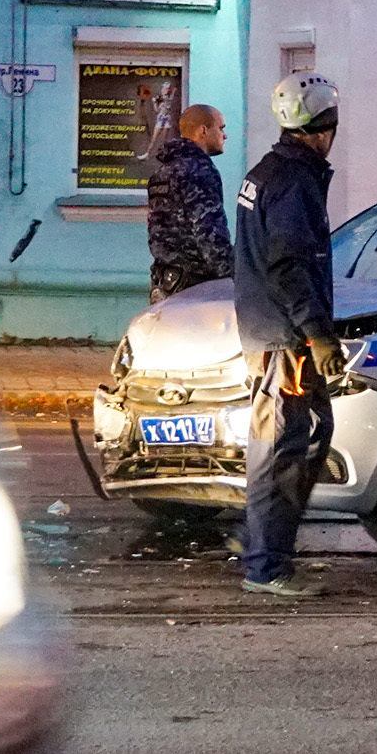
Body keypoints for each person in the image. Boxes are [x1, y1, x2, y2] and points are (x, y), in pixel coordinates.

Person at [231, 73, 346, 597]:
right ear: (323, 130)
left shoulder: (266, 173)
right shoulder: (295, 182)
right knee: (283, 450)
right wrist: (318, 335)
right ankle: (265, 564)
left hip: (272, 333)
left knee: (308, 436)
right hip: (285, 341)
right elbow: (289, 265)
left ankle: (262, 539)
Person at [146, 104, 233, 303]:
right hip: (195, 286)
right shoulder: (199, 171)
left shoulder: (163, 171)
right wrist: (231, 274)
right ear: (203, 130)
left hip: (164, 281)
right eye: (221, 128)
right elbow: (208, 232)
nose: (225, 135)